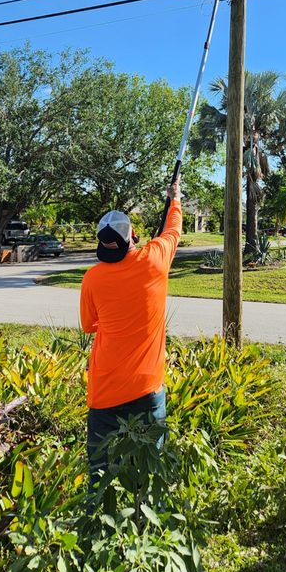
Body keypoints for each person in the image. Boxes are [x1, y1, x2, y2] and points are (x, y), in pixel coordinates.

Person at [80, 177, 182, 498]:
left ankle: (96, 518)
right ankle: (149, 518)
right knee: (152, 469)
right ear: (132, 237)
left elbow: (89, 325)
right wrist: (174, 198)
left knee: (100, 472)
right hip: (147, 388)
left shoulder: (93, 278)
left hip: (105, 392)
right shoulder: (155, 259)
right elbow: (173, 230)